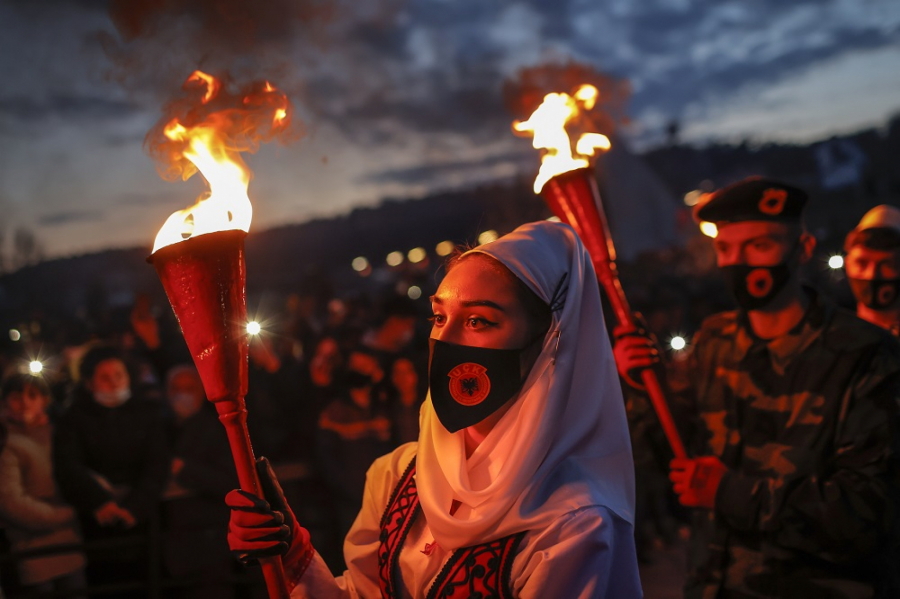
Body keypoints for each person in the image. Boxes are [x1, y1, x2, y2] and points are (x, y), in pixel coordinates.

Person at [226, 221, 641, 597]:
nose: (447, 339)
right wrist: (291, 554)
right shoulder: (397, 474)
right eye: (439, 316)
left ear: (551, 342)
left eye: (479, 321)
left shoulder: (571, 523)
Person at [615, 177, 900, 597]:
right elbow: (669, 459)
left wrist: (729, 492)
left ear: (802, 250)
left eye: (759, 246)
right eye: (726, 248)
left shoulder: (866, 354)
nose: (739, 262)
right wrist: (641, 386)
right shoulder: (715, 342)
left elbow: (867, 512)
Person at [53, 344, 170, 595]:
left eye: (119, 375)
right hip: (97, 522)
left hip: (142, 520)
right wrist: (99, 502)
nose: (114, 383)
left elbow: (157, 464)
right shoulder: (74, 418)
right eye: (104, 377)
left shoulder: (147, 413)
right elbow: (68, 465)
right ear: (88, 383)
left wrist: (136, 507)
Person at [0, 373, 86, 594]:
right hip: (32, 548)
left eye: (33, 395)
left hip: (68, 545)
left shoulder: (57, 434)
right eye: (16, 397)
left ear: (44, 400)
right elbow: (11, 500)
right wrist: (64, 515)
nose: (25, 403)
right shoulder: (7, 443)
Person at [162, 365, 237, 599]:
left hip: (208, 542)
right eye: (176, 389)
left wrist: (184, 470)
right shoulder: (163, 428)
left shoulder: (216, 429)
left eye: (189, 389)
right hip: (174, 543)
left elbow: (228, 480)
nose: (182, 395)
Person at [316, 348, 393, 544]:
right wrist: (346, 487)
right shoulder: (335, 408)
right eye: (357, 367)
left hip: (385, 494)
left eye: (367, 366)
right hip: (351, 497)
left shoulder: (384, 404)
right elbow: (326, 453)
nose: (362, 372)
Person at [844, 204, 900, 335]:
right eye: (861, 263)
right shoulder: (835, 338)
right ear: (848, 265)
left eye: (887, 264)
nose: (872, 274)